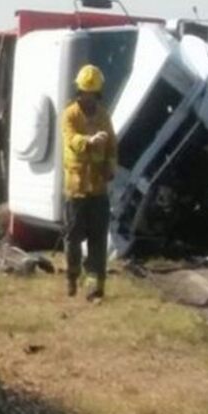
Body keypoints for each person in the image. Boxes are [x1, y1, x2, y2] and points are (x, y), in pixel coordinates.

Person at [61, 64, 117, 301]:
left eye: (92, 94)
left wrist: (111, 167)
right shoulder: (70, 114)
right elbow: (72, 139)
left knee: (98, 239)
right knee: (73, 238)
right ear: (79, 91)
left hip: (98, 188)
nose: (88, 98)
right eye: (85, 92)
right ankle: (73, 275)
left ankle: (95, 287)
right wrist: (90, 141)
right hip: (77, 189)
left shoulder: (104, 115)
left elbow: (112, 145)